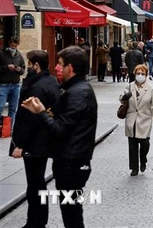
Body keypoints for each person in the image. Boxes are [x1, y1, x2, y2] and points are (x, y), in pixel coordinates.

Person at [21, 46, 97, 228]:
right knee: (71, 213)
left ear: (70, 68)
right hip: (71, 161)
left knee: (72, 216)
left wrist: (41, 112)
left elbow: (59, 129)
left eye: (61, 64)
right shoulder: (75, 90)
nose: (57, 68)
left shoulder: (78, 93)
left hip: (72, 164)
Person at [10, 50, 61, 228]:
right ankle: (37, 220)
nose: (27, 67)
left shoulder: (37, 87)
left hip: (35, 142)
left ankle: (36, 222)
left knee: (35, 184)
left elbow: (29, 119)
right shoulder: (51, 81)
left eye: (29, 64)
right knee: (37, 182)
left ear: (36, 65)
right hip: (45, 139)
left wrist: (20, 145)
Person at [121, 64, 153, 176]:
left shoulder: (150, 88)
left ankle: (143, 158)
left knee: (144, 143)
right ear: (135, 74)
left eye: (142, 74)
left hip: (145, 120)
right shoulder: (129, 86)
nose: (140, 75)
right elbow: (121, 98)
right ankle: (134, 168)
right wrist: (124, 97)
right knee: (132, 145)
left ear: (146, 75)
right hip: (131, 120)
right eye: (138, 73)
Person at [0, 36, 25, 130]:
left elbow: (23, 70)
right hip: (3, 85)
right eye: (12, 45)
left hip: (15, 85)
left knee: (13, 109)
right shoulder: (2, 54)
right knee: (0, 106)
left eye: (15, 46)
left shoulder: (19, 55)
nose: (14, 47)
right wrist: (6, 67)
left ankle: (9, 129)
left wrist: (19, 69)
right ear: (9, 44)